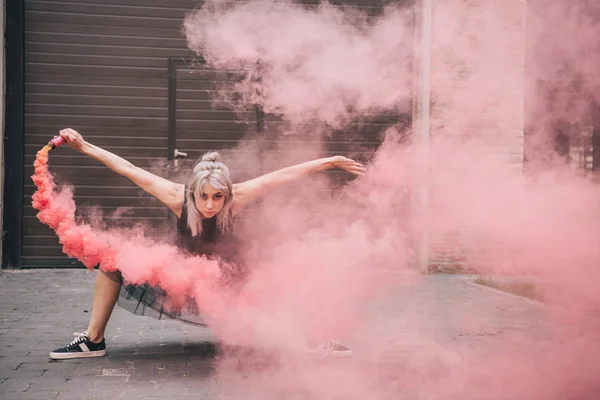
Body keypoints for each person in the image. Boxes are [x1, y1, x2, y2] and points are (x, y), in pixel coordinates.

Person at [49, 128, 365, 360]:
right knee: (110, 262)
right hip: (181, 282)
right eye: (204, 197)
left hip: (231, 280)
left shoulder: (235, 198)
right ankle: (93, 341)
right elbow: (129, 169)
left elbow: (283, 175)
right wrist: (85, 145)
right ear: (193, 192)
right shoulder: (177, 196)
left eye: (218, 197)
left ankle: (313, 340)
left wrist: (329, 162)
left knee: (290, 269)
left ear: (226, 194)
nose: (211, 205)